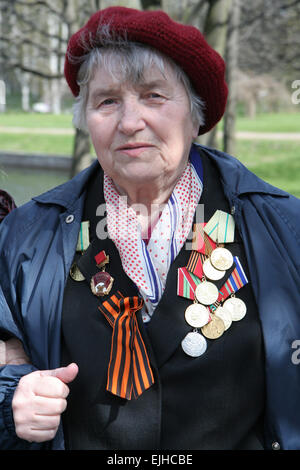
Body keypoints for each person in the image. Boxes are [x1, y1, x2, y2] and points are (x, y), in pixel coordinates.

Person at [0, 6, 299, 451]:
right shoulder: (26, 236)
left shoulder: (283, 228)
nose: (129, 122)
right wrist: (11, 402)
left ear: (197, 114)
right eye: (107, 101)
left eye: (154, 96)